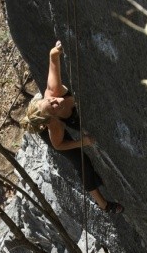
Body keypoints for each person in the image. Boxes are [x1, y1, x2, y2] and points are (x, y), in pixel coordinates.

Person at [21, 41, 123, 214]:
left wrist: (59, 47)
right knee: (80, 161)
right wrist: (83, 142)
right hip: (53, 133)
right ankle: (103, 204)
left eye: (50, 101)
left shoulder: (53, 90)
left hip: (48, 115)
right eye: (53, 107)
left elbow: (53, 55)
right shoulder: (54, 126)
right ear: (52, 118)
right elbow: (58, 145)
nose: (55, 102)